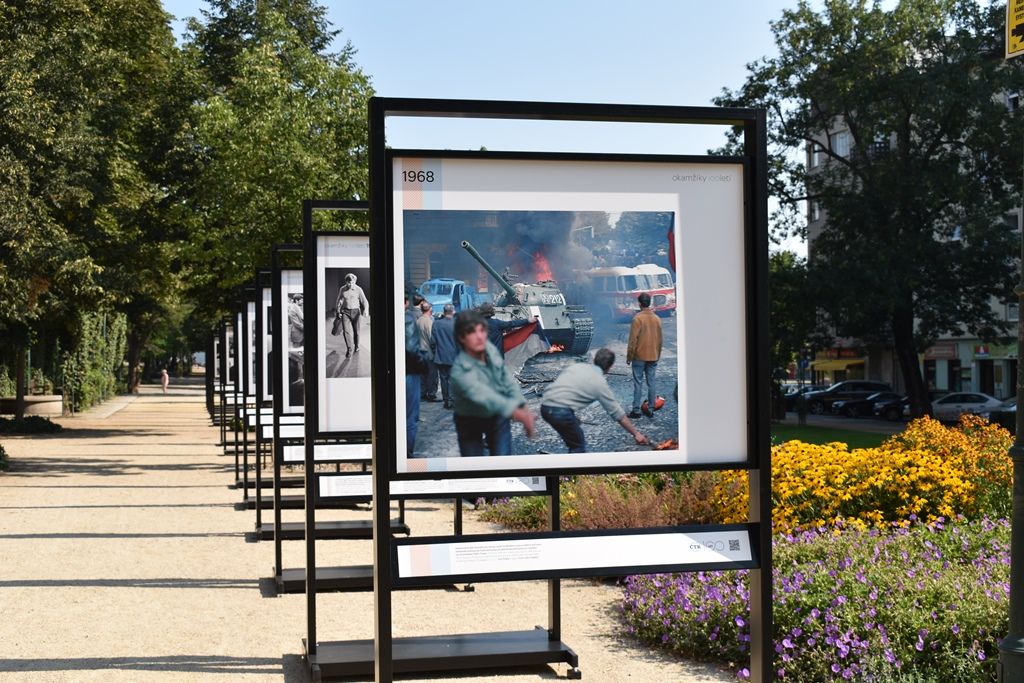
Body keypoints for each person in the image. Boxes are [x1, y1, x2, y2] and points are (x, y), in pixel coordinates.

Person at [450, 310, 535, 456]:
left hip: (497, 419)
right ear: (462, 338)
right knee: (474, 465)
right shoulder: (460, 369)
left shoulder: (490, 351)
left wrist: (522, 404)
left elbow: (506, 379)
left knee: (502, 461)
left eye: (482, 330)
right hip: (470, 420)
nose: (479, 336)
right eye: (472, 332)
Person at [540, 348, 647, 452]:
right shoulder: (599, 383)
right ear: (610, 366)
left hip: (545, 406)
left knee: (574, 436)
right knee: (578, 445)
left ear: (594, 359)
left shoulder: (577, 367)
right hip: (560, 412)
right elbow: (618, 415)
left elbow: (561, 390)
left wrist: (571, 416)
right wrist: (636, 434)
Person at [626, 292, 663, 419]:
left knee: (638, 382)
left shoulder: (637, 319)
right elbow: (660, 340)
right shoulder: (657, 319)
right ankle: (651, 409)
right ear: (649, 303)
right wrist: (657, 354)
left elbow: (632, 340)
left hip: (639, 356)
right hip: (653, 355)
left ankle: (636, 410)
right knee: (651, 382)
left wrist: (629, 357)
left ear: (640, 303)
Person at [404, 293, 428, 455]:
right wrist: (423, 364)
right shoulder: (408, 319)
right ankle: (407, 453)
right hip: (409, 372)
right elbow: (411, 348)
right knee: (409, 418)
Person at [430, 304, 458, 409]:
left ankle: (446, 400)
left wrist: (435, 352)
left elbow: (432, 342)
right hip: (454, 356)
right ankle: (452, 400)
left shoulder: (436, 324)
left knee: (443, 379)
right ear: (453, 311)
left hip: (440, 356)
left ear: (444, 311)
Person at [334, 273, 368, 358]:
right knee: (346, 332)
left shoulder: (358, 289)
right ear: (346, 282)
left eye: (352, 282)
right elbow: (339, 300)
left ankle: (357, 345)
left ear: (355, 282)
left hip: (356, 312)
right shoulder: (342, 289)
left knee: (356, 332)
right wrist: (338, 311)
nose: (350, 284)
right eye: (349, 283)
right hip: (345, 312)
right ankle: (349, 349)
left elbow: (364, 301)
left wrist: (366, 310)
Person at [416, 301, 439, 401]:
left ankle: (423, 393)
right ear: (430, 309)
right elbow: (431, 338)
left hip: (419, 350)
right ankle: (431, 394)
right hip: (428, 352)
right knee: (432, 374)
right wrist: (435, 351)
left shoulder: (418, 320)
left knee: (422, 374)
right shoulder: (429, 322)